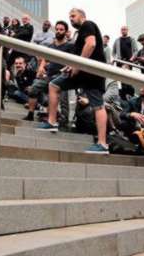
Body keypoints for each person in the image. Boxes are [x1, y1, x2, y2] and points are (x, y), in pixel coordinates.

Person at [37, 8, 109, 154]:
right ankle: (51, 122)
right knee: (54, 85)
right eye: (69, 17)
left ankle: (102, 144)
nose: (71, 19)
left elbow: (91, 44)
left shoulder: (88, 24)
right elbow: (81, 52)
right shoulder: (79, 32)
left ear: (82, 16)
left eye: (73, 16)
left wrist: (76, 66)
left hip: (92, 72)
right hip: (80, 72)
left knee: (97, 105)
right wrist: (70, 66)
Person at [24, 20, 73, 123]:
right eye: (57, 29)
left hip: (62, 77)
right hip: (49, 75)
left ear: (66, 31)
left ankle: (64, 120)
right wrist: (41, 67)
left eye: (61, 29)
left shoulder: (70, 46)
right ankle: (30, 114)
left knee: (63, 100)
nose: (59, 31)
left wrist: (67, 68)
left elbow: (73, 61)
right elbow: (45, 59)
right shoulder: (51, 46)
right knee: (33, 89)